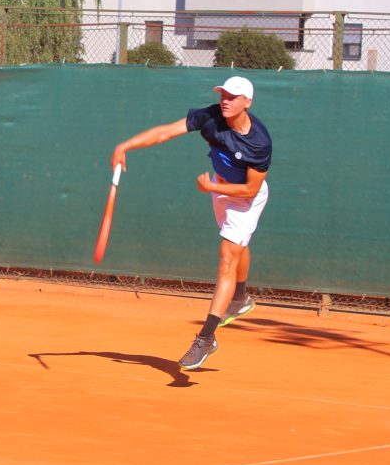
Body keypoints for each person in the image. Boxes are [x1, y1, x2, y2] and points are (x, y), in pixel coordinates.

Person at [111, 76, 271, 370]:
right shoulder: (211, 116)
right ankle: (240, 297)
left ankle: (206, 338)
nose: (225, 100)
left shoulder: (258, 142)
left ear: (247, 102)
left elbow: (250, 189)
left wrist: (211, 188)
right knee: (237, 244)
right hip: (219, 188)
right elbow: (165, 132)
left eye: (233, 97)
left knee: (228, 257)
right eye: (223, 94)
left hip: (244, 198)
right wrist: (126, 145)